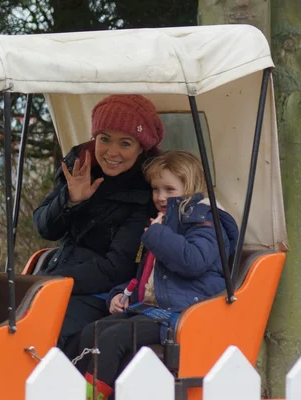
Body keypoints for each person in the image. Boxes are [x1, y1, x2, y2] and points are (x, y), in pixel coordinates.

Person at [76, 151, 239, 400]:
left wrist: (156, 234)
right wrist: (121, 293)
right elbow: (147, 277)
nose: (160, 197)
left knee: (114, 338)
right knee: (92, 331)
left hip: (183, 313)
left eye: (169, 189)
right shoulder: (164, 224)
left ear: (190, 187)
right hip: (153, 309)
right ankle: (85, 391)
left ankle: (92, 396)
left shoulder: (205, 222)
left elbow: (193, 262)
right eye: (155, 189)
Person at [33, 94, 165, 355]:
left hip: (101, 295)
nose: (111, 152)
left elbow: (117, 268)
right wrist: (71, 200)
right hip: (57, 281)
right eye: (104, 139)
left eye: (125, 143)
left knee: (42, 334)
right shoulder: (81, 167)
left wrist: (53, 281)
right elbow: (45, 228)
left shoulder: (145, 194)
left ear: (141, 148)